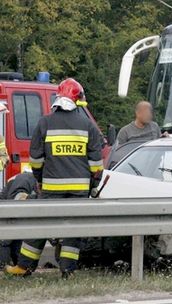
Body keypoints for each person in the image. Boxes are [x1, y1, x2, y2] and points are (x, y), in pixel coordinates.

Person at [5, 78, 103, 278]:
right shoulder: (88, 126)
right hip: (79, 190)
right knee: (72, 230)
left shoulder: (45, 122)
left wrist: (39, 180)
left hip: (51, 188)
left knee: (40, 225)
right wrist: (93, 185)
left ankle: (24, 267)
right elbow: (96, 164)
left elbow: (36, 159)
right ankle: (68, 271)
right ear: (77, 100)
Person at [0, 172, 38, 267]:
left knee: (17, 241)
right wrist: (36, 198)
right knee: (6, 241)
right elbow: (17, 199)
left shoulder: (30, 181)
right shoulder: (26, 179)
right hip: (8, 213)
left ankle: (17, 266)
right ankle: (3, 265)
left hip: (12, 214)